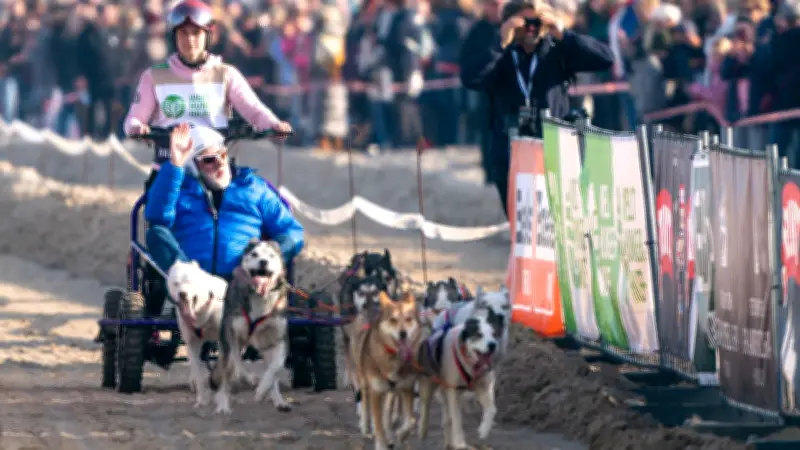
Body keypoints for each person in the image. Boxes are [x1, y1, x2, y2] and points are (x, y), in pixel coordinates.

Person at [460, 0, 613, 218]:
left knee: (554, 214)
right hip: (509, 145)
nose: (531, 28)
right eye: (523, 22)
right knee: (518, 216)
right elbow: (470, 78)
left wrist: (564, 35)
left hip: (554, 143)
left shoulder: (556, 50)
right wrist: (499, 44)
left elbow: (606, 59)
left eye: (536, 21)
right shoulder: (502, 54)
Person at [123, 0, 292, 171]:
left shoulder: (226, 74)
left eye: (196, 33)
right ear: (174, 36)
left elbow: (254, 111)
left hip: (214, 168)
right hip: (169, 167)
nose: (189, 39)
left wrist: (274, 125)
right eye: (183, 33)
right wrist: (137, 128)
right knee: (159, 198)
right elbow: (134, 119)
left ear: (208, 35)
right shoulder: (153, 76)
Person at [145, 123, 304, 288]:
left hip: (245, 283)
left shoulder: (254, 188)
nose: (220, 163)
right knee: (156, 233)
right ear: (192, 165)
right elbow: (157, 217)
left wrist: (275, 254)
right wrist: (175, 166)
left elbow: (292, 231)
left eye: (222, 154)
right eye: (209, 160)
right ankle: (193, 281)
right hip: (193, 287)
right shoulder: (178, 189)